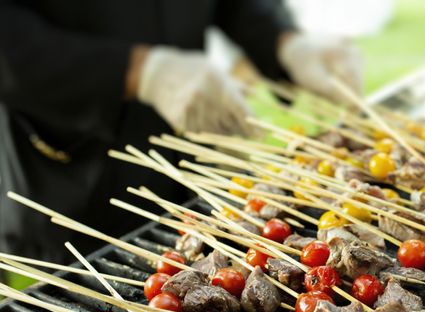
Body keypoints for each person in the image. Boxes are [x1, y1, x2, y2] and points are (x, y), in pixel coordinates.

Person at [0, 0, 362, 262]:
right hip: (73, 166)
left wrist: (283, 39)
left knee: (199, 266)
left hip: (187, 144)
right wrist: (137, 70)